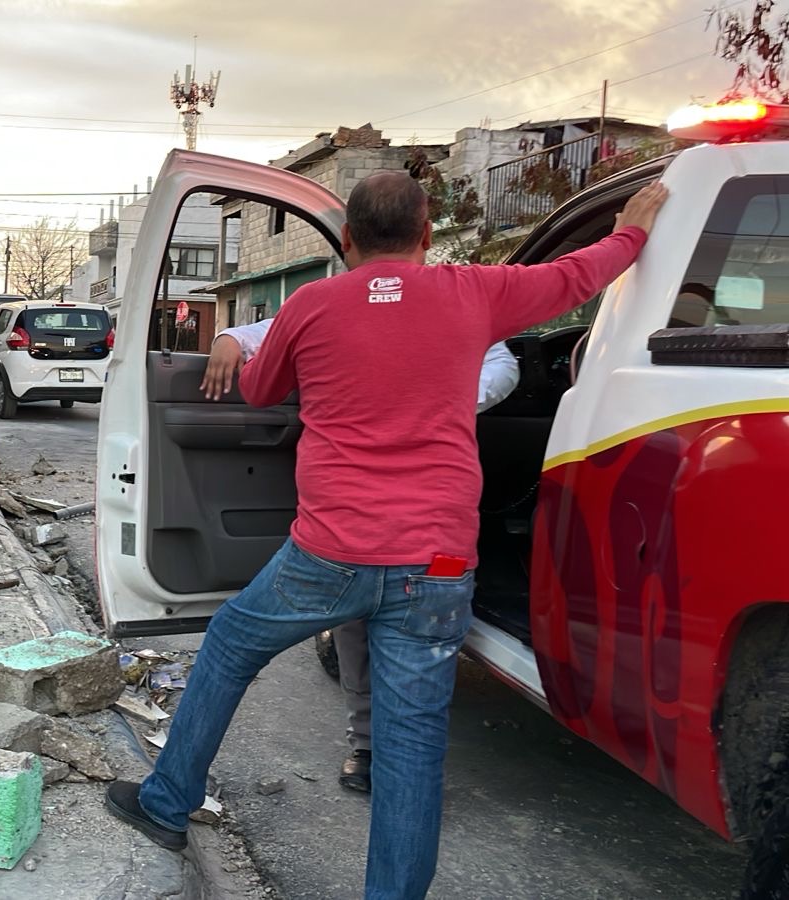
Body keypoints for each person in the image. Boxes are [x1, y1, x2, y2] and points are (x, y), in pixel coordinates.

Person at [105, 172, 668, 900]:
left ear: (346, 241)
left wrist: (258, 352)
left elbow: (260, 390)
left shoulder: (312, 303)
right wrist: (633, 228)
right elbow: (574, 276)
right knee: (412, 744)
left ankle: (166, 803)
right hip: (435, 562)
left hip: (329, 555)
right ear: (427, 235)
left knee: (229, 646)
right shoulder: (475, 290)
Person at [203, 317, 520, 794]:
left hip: (424, 530)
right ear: (425, 238)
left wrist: (439, 397)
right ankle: (371, 749)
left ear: (348, 239)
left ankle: (396, 766)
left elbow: (501, 363)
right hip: (355, 532)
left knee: (409, 660)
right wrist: (231, 338)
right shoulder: (340, 304)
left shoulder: (454, 305)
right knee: (357, 636)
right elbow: (276, 330)